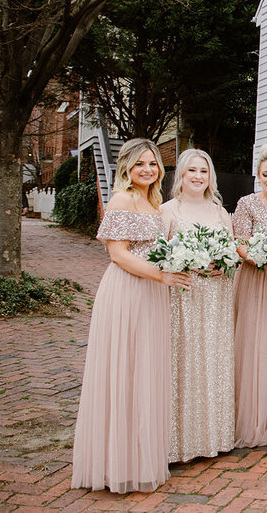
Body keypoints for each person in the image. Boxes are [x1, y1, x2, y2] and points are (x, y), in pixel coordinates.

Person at [72, 138, 192, 493]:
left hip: (152, 292)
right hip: (126, 291)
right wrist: (163, 275)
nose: (147, 170)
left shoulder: (154, 202)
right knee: (123, 370)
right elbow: (118, 255)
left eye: (153, 164)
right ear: (126, 166)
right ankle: (115, 463)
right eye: (140, 164)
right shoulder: (122, 199)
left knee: (144, 372)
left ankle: (139, 457)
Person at [162, 149, 236, 463]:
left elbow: (233, 255)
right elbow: (159, 257)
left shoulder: (220, 213)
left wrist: (225, 265)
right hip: (184, 298)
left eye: (203, 171)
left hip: (216, 298)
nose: (197, 177)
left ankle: (213, 436)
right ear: (181, 174)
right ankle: (179, 441)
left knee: (213, 363)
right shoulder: (168, 211)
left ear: (210, 177)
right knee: (185, 363)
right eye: (191, 170)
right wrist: (187, 265)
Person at [232, 143, 267, 448]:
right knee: (256, 341)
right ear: (258, 175)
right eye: (265, 174)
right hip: (256, 278)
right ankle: (253, 417)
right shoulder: (247, 204)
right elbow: (240, 241)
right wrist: (257, 259)